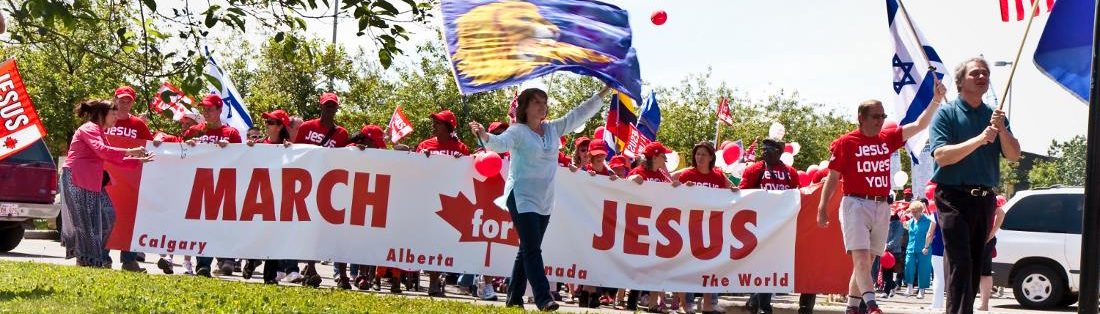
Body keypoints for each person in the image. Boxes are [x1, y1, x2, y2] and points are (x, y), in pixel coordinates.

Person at [469, 85, 612, 311]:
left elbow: (578, 113)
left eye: (544, 102)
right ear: (525, 107)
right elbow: (498, 144)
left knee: (527, 248)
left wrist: (604, 92)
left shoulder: (553, 129)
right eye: (537, 102)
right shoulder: (517, 131)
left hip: (545, 199)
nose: (542, 106)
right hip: (521, 196)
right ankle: (543, 298)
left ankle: (513, 299)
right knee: (533, 249)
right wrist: (483, 134)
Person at [816, 79, 946, 314]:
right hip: (855, 203)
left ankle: (852, 308)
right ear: (861, 118)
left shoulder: (887, 139)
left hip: (881, 206)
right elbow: (833, 178)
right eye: (875, 116)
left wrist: (936, 100)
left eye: (883, 116)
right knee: (862, 260)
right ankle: (872, 305)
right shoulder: (846, 142)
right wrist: (822, 207)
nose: (880, 120)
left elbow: (919, 124)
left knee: (864, 264)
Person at [929, 57, 1020, 314]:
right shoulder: (947, 114)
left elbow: (1014, 154)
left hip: (984, 199)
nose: (982, 77)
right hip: (953, 197)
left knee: (975, 261)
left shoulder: (994, 116)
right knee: (961, 261)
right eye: (975, 73)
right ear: (960, 82)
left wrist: (1002, 130)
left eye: (985, 73)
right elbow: (942, 156)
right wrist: (980, 139)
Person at [60, 99, 151, 268]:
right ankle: (86, 260)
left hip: (91, 181)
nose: (116, 117)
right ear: (102, 114)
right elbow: (102, 150)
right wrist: (130, 151)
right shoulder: (89, 128)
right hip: (76, 178)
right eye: (113, 113)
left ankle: (92, 257)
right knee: (85, 221)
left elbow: (111, 157)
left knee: (108, 216)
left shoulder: (100, 131)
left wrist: (138, 160)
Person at [290, 92, 349, 288]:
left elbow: (344, 159)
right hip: (307, 183)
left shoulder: (341, 133)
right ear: (321, 106)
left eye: (333, 106)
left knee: (329, 228)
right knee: (310, 227)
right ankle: (311, 268)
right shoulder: (307, 127)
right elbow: (297, 152)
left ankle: (339, 274)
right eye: (326, 105)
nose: (329, 109)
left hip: (329, 185)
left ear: (336, 108)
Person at [672, 141, 737, 314]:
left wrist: (735, 191)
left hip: (711, 229)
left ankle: (709, 305)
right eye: (697, 154)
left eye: (703, 154)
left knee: (711, 267)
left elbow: (734, 189)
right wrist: (679, 187)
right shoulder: (686, 174)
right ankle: (685, 305)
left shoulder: (718, 176)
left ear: (711, 157)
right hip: (688, 228)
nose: (699, 157)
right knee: (687, 267)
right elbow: (668, 183)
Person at [183, 93, 243, 278]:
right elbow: (181, 154)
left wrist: (230, 149)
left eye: (210, 109)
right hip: (196, 184)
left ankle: (220, 260)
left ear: (219, 110)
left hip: (221, 186)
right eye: (204, 109)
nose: (206, 112)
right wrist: (187, 145)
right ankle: (202, 264)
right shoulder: (193, 131)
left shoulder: (230, 133)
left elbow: (240, 159)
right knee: (200, 226)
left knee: (216, 226)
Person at [738, 139, 799, 314]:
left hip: (780, 228)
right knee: (758, 264)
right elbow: (742, 194)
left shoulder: (790, 173)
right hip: (756, 227)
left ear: (779, 152)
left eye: (769, 149)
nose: (764, 151)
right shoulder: (754, 170)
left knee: (772, 266)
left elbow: (797, 196)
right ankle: (759, 302)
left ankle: (760, 301)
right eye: (763, 148)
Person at [102, 86, 154, 273]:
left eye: (128, 101)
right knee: (106, 217)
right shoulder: (105, 119)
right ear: (114, 99)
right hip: (106, 179)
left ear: (133, 102)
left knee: (128, 218)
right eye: (121, 100)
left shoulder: (138, 124)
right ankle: (103, 258)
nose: (124, 104)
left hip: (129, 181)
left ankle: (129, 260)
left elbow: (150, 146)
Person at [419, 109, 469, 297]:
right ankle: (433, 281)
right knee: (430, 241)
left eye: (438, 123)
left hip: (450, 204)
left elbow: (467, 172)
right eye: (434, 122)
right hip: (428, 199)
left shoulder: (461, 148)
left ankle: (436, 279)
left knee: (442, 242)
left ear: (448, 128)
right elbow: (415, 170)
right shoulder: (425, 145)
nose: (434, 125)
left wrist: (461, 161)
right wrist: (420, 158)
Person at [977, 196, 1007, 311]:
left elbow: (1001, 212)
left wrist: (992, 233)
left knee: (984, 272)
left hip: (983, 239)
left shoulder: (985, 197)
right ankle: (981, 304)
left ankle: (983, 304)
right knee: (982, 272)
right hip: (979, 238)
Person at [903, 201, 934, 299]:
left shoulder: (928, 221)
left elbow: (932, 234)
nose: (913, 213)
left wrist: (927, 246)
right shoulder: (910, 221)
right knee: (908, 266)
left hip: (924, 248)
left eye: (915, 211)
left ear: (921, 211)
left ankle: (921, 290)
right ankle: (909, 287)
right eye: (912, 211)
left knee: (924, 269)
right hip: (911, 248)